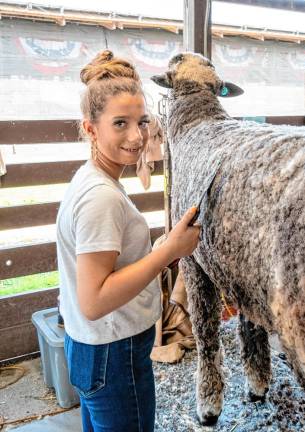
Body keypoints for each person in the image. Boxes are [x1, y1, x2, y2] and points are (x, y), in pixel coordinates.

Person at [56, 50, 200, 432]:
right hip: (112, 349)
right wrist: (169, 251)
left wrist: (156, 251)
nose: (137, 137)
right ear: (90, 128)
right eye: (120, 123)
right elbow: (94, 301)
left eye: (142, 122)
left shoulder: (92, 179)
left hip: (92, 347)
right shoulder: (100, 197)